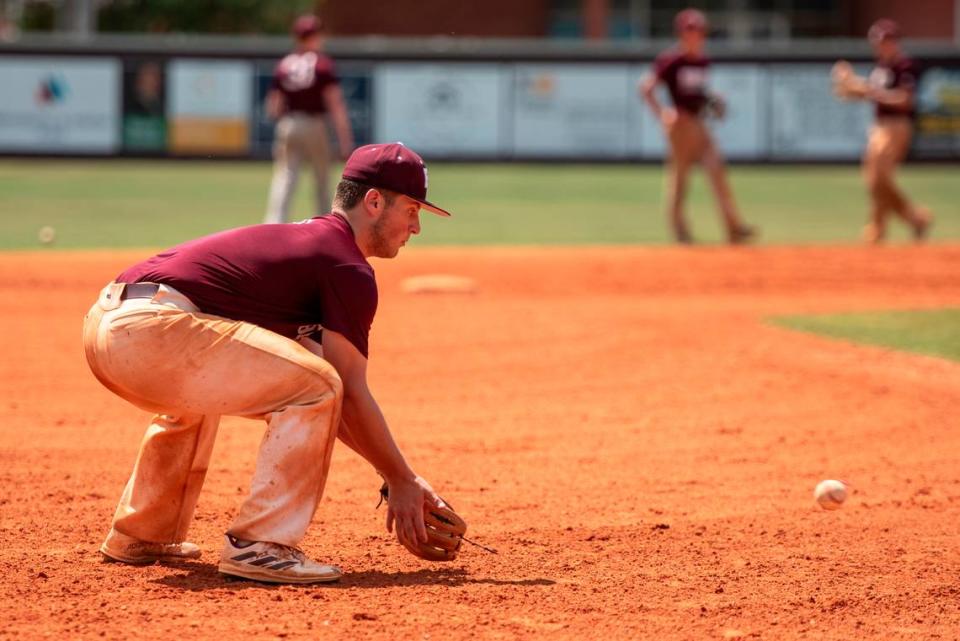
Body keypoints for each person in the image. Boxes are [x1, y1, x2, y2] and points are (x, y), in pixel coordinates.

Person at [85, 143, 453, 584]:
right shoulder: (346, 266)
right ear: (374, 201)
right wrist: (402, 478)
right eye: (412, 210)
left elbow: (329, 407)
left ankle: (144, 533)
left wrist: (399, 478)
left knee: (252, 386)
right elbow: (343, 390)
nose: (416, 227)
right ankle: (260, 545)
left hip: (112, 327)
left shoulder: (312, 245)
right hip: (152, 331)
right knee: (322, 383)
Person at [640, 8, 755, 245]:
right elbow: (646, 88)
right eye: (689, 30)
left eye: (698, 31)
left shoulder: (703, 61)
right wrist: (662, 114)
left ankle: (733, 227)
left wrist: (713, 100)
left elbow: (697, 94)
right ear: (681, 33)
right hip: (680, 128)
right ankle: (680, 231)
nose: (694, 35)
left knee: (717, 173)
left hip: (700, 125)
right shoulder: (671, 60)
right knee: (680, 181)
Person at [264, 14, 355, 223]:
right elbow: (335, 104)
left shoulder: (284, 64)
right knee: (322, 178)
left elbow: (273, 107)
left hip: (289, 123)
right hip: (315, 124)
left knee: (285, 176)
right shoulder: (322, 65)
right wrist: (345, 140)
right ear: (316, 36)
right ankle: (326, 226)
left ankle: (273, 225)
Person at [858, 19, 933, 243]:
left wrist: (871, 92)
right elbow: (871, 94)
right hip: (879, 126)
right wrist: (851, 86)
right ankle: (913, 218)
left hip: (897, 126)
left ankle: (880, 227)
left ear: (894, 41)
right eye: (877, 41)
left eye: (884, 40)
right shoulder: (881, 67)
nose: (880, 45)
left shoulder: (905, 65)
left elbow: (905, 101)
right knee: (874, 179)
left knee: (879, 176)